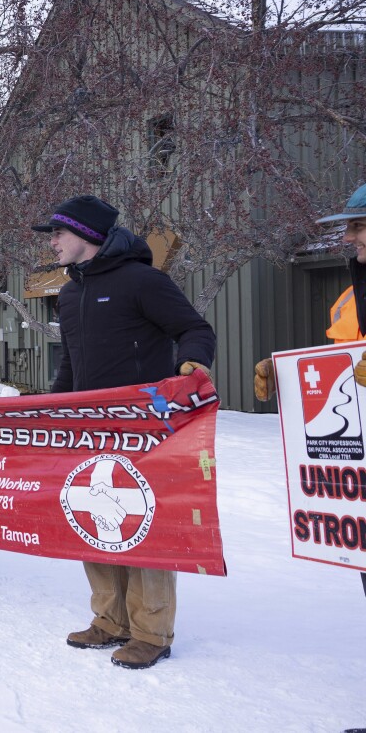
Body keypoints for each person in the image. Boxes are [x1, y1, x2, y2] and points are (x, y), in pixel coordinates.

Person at [34, 194, 216, 670]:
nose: (51, 242)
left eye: (58, 233)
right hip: (89, 427)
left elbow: (195, 329)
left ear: (86, 235)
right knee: (92, 518)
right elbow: (71, 362)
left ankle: (151, 631)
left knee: (143, 524)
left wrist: (190, 366)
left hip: (144, 429)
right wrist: (54, 410)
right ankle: (109, 621)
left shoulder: (142, 280)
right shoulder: (70, 293)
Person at [254, 183, 366, 400]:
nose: (347, 237)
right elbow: (342, 369)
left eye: (358, 226)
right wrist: (285, 376)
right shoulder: (348, 299)